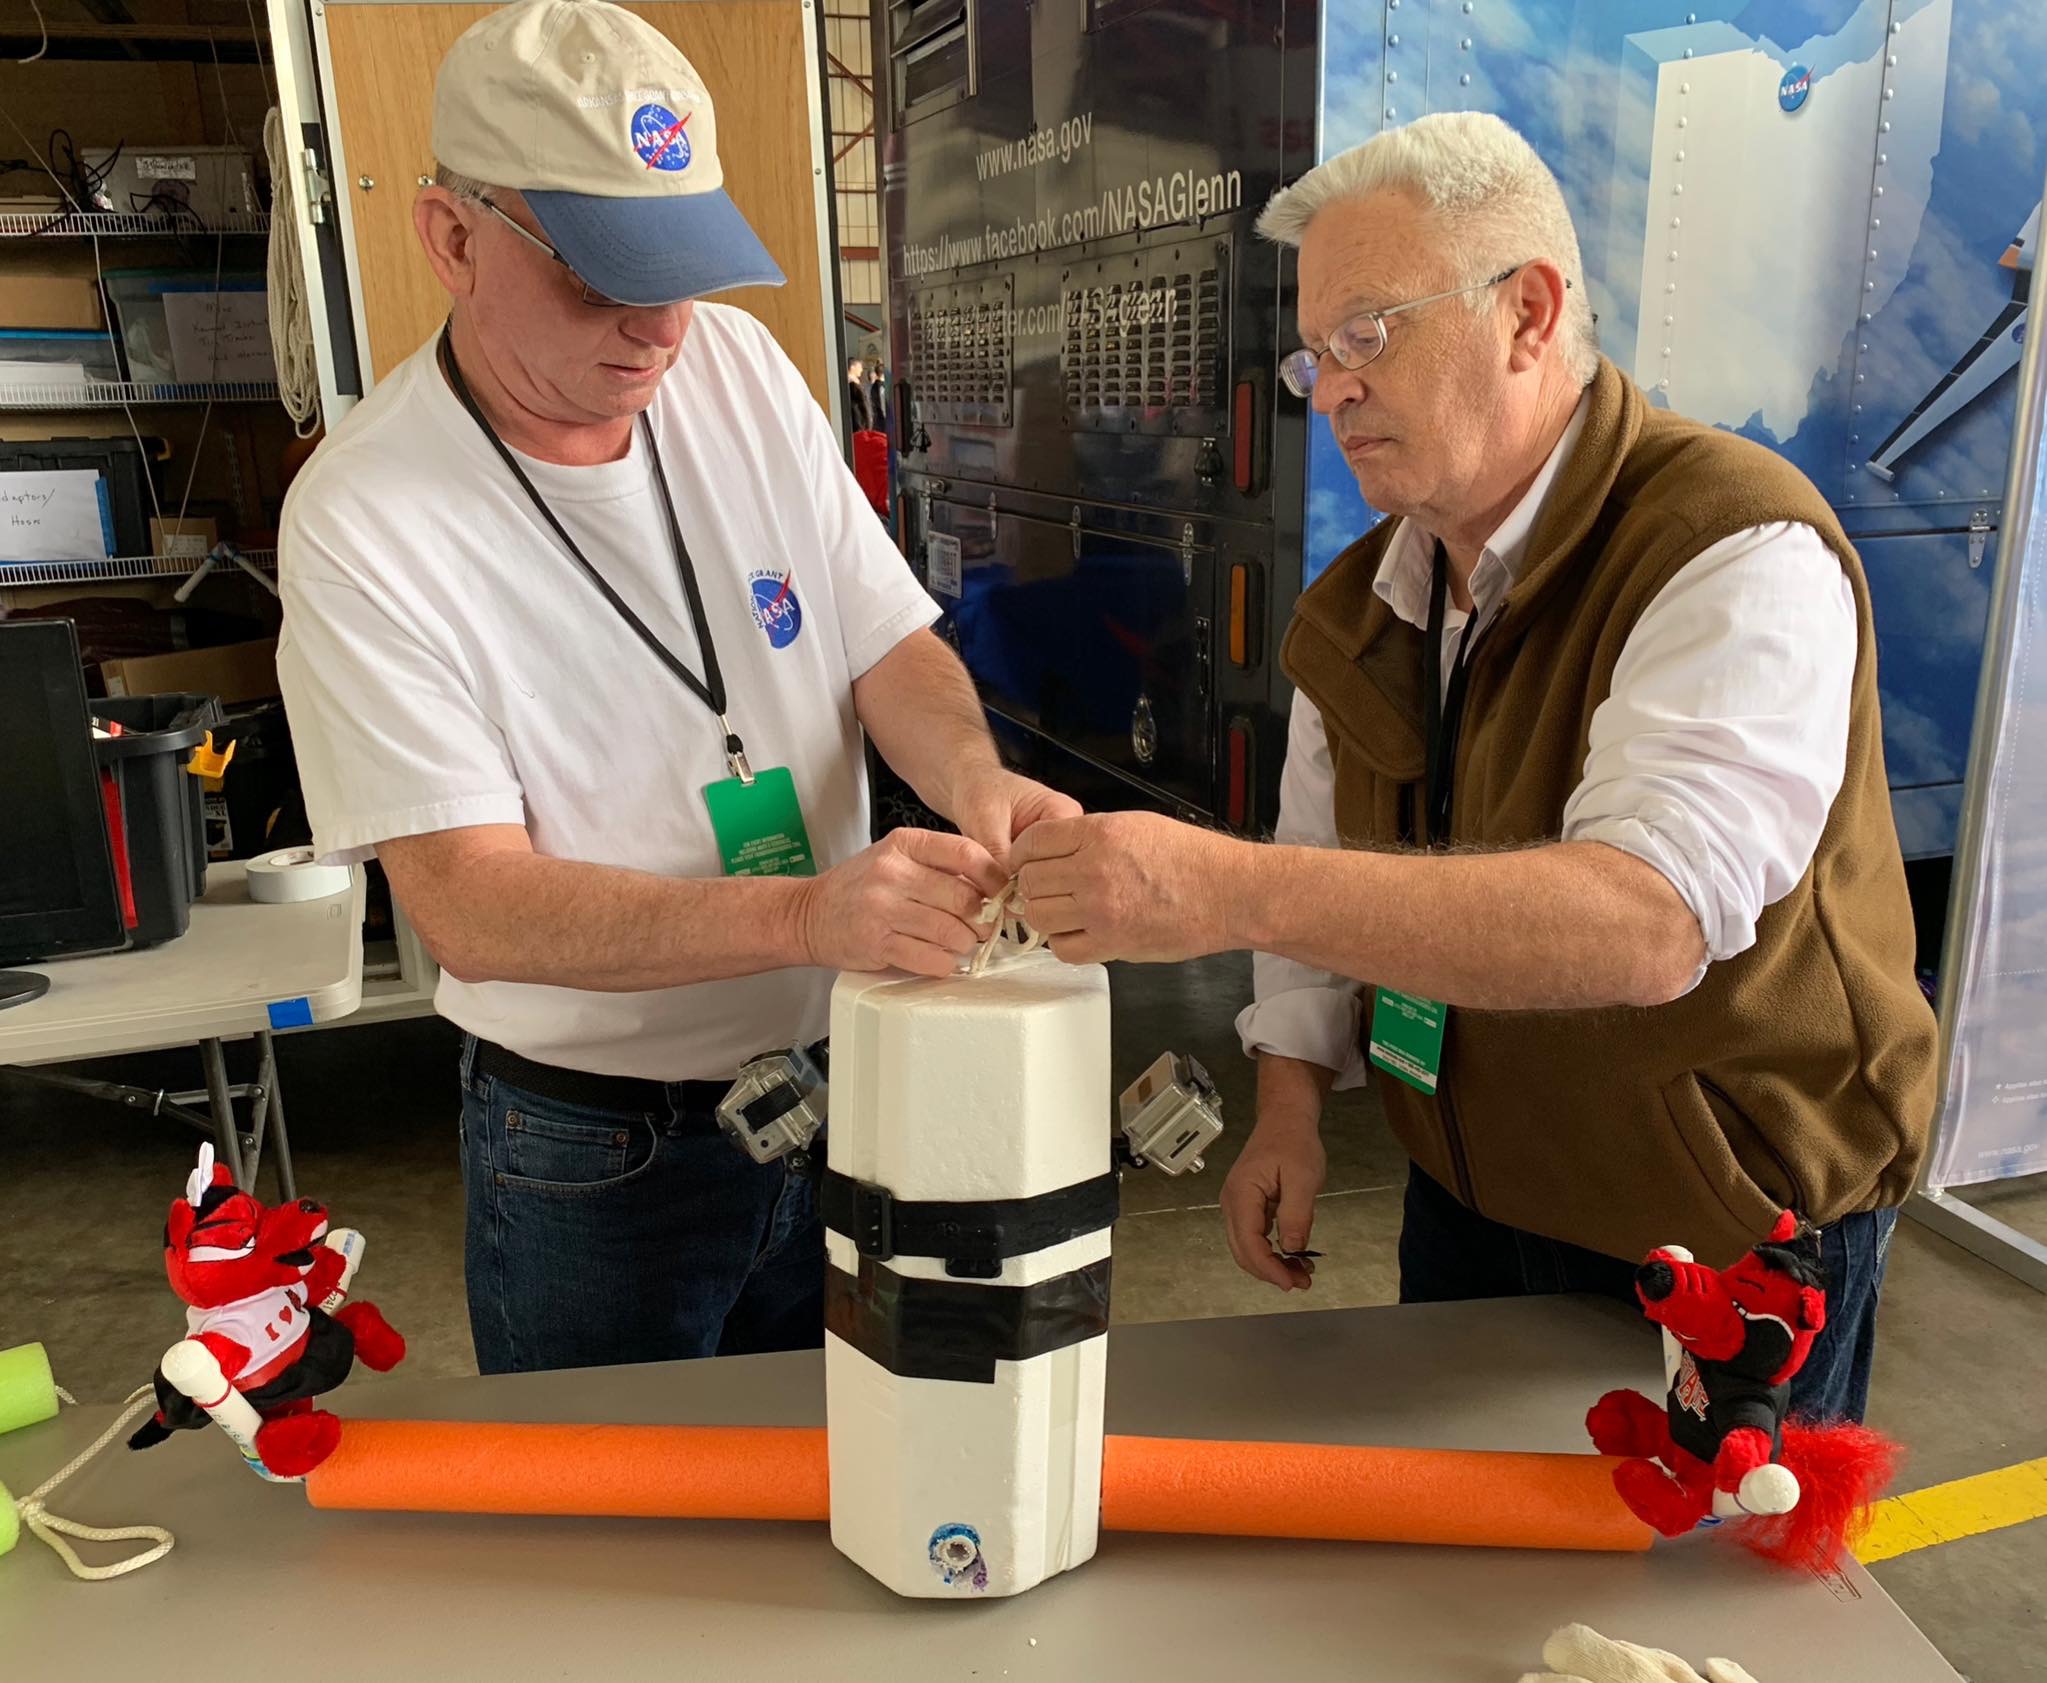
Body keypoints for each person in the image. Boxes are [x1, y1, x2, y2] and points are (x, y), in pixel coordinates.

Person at [1011, 112, 1936, 1424]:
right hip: (1468, 1194)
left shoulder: (1729, 549)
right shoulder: (1365, 603)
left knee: (1701, 1559)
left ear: (1526, 314)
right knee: (1458, 1542)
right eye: (1314, 356)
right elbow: (1321, 860)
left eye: (1367, 333)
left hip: (1719, 1237)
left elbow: (1645, 922)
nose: (1331, 390)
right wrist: (1288, 1103)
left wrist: (1210, 888)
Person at [275, 0, 1075, 1375]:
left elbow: (883, 642)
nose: (657, 330)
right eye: (603, 279)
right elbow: (470, 904)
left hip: (845, 1075)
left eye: (684, 272)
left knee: (852, 1450)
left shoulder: (739, 371)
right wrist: (809, 911)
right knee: (613, 1495)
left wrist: (974, 780)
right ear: (452, 237)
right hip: (597, 1146)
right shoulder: (367, 518)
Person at [846, 356, 871, 433]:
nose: (861, 370)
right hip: (857, 421)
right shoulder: (852, 384)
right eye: (859, 367)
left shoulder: (855, 383)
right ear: (852, 367)